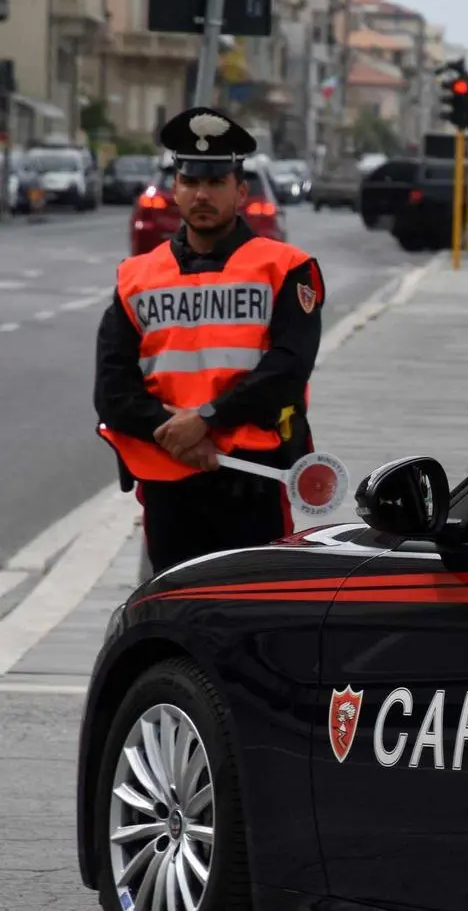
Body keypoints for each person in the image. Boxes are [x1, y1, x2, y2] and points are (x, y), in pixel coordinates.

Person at [94, 106, 326, 575]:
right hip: (168, 481)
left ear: (240, 191)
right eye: (190, 181)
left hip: (253, 480)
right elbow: (112, 392)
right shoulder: (135, 278)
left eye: (216, 182)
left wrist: (206, 420)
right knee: (173, 622)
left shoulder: (286, 268)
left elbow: (287, 369)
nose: (202, 194)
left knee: (254, 619)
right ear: (175, 189)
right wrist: (180, 437)